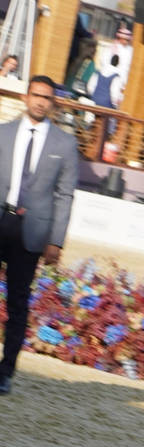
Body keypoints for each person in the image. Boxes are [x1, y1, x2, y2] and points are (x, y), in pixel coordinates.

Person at [0, 76, 80, 396]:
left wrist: (56, 240)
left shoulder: (65, 144)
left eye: (47, 98)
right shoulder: (3, 133)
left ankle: (6, 371)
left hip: (32, 234)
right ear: (25, 96)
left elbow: (65, 195)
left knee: (18, 303)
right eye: (36, 95)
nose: (40, 102)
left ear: (54, 103)